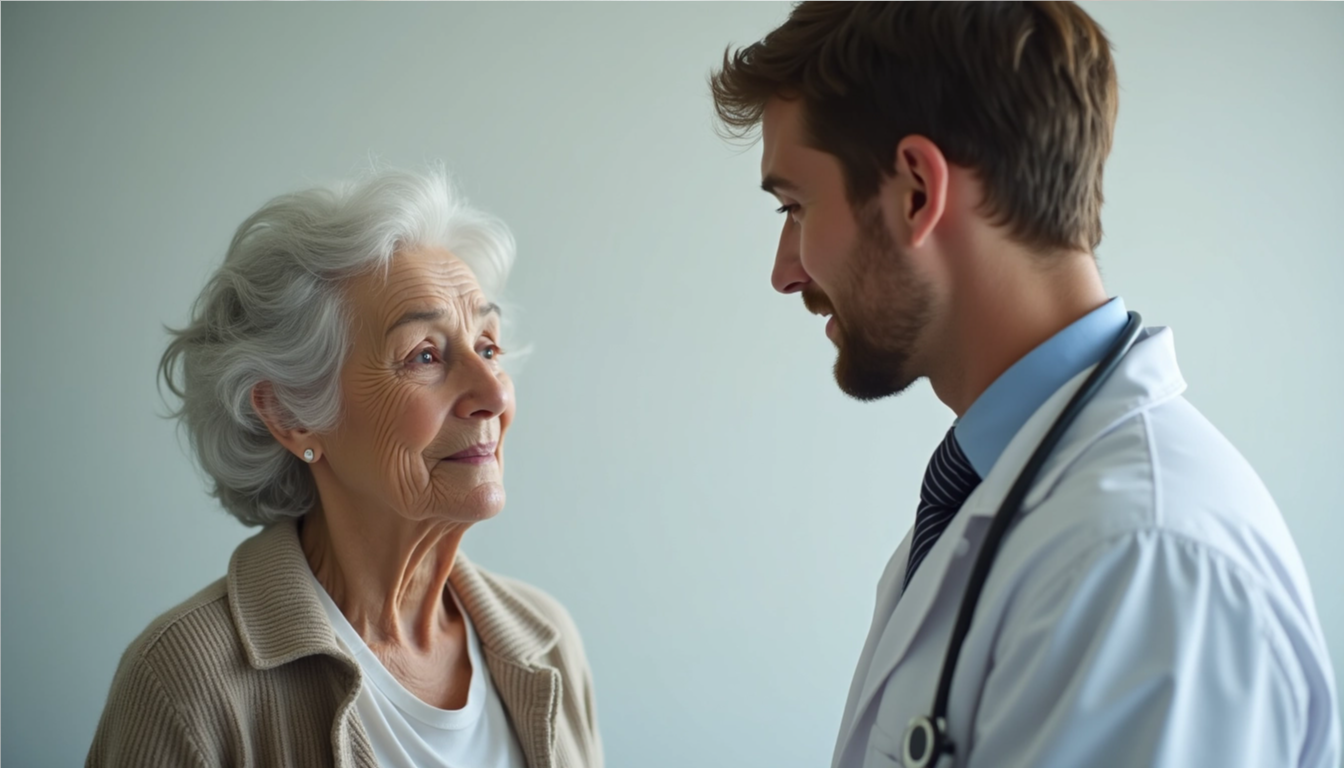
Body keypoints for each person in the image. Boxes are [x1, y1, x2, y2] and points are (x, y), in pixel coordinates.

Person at [710, 3, 1339, 766]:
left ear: (916, 190)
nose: (785, 272)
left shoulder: (1141, 564)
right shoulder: (1006, 496)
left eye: (796, 207)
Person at [87, 168, 602, 768]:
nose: (493, 391)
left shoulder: (546, 641)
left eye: (487, 347)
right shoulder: (185, 685)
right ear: (291, 415)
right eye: (426, 355)